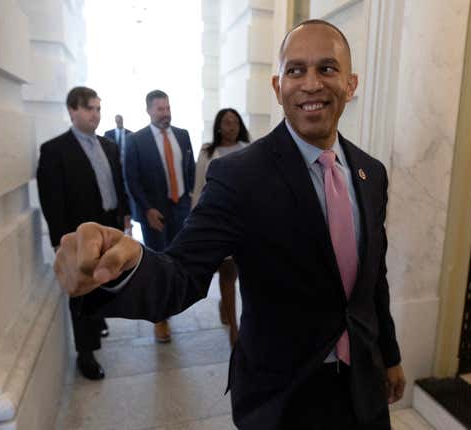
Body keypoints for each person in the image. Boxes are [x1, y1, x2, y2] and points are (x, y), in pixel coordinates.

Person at [55, 20, 406, 429]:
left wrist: (390, 355)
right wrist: (125, 267)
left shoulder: (372, 173)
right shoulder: (239, 175)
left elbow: (373, 280)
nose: (311, 84)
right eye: (295, 70)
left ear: (351, 84)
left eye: (327, 69)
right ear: (278, 87)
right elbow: (182, 274)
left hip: (364, 385)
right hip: (282, 396)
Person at [36, 86, 131, 380]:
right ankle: (86, 354)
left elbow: (118, 183)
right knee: (80, 291)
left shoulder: (109, 146)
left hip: (109, 225)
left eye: (99, 109)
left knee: (104, 279)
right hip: (78, 234)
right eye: (90, 108)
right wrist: (59, 241)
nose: (96, 114)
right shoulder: (54, 150)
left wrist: (125, 215)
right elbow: (51, 200)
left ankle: (99, 319)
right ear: (72, 110)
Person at [123, 90, 195, 343]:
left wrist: (187, 200)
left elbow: (190, 171)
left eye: (167, 108)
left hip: (180, 209)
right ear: (149, 111)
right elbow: (131, 179)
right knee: (156, 265)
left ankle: (173, 301)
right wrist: (146, 210)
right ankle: (160, 319)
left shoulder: (183, 136)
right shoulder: (136, 141)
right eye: (160, 109)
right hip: (153, 213)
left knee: (177, 261)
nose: (166, 113)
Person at [192, 108, 250, 346]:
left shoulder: (248, 148)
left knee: (237, 274)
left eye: (235, 122)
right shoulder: (208, 150)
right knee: (225, 273)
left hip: (244, 220)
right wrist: (196, 219)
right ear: (218, 125)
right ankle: (234, 330)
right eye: (226, 122)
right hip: (217, 220)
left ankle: (230, 309)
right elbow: (199, 187)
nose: (231, 126)